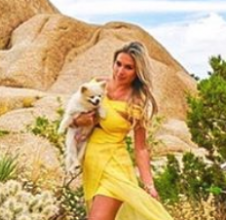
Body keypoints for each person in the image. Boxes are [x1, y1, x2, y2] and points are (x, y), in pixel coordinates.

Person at [71, 41, 174, 220]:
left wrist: (149, 185)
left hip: (115, 167)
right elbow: (72, 120)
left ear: (137, 72)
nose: (120, 71)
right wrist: (80, 120)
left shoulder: (136, 103)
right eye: (118, 64)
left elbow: (141, 148)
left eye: (129, 67)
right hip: (93, 166)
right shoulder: (96, 85)